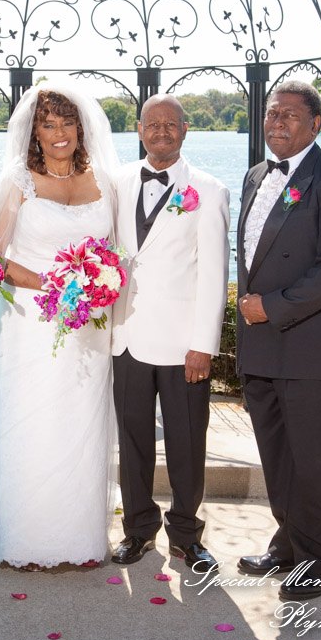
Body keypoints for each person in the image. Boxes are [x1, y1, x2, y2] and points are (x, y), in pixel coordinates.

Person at [236, 80, 321, 601]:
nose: (278, 122)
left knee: (317, 460)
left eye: (290, 114)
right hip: (262, 345)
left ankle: (318, 560)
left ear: (316, 124)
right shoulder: (253, 176)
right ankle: (288, 545)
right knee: (279, 456)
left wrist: (273, 306)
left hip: (311, 345)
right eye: (272, 114)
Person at [0, 83, 119, 570]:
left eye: (67, 123)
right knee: (33, 422)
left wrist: (99, 284)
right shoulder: (18, 181)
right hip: (31, 322)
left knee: (81, 425)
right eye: (48, 124)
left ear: (81, 128)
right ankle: (25, 538)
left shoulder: (104, 181)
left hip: (89, 329)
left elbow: (119, 252)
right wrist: (56, 285)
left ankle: (77, 539)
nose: (59, 133)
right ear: (34, 132)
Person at [110, 93, 230, 570]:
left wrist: (204, 344)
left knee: (186, 444)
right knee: (132, 443)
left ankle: (186, 535)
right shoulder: (117, 182)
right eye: (152, 125)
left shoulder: (209, 189)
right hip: (126, 338)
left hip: (184, 346)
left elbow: (214, 274)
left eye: (171, 125)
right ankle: (138, 530)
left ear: (185, 130)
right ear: (139, 130)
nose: (161, 132)